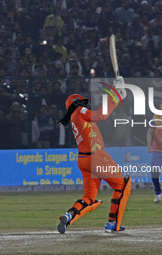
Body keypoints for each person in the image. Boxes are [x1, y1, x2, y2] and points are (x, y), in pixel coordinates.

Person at [57, 77, 131, 234]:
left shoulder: (75, 116)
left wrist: (114, 93)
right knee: (122, 185)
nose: (86, 103)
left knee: (89, 198)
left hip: (84, 159)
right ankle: (113, 223)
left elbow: (99, 114)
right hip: (95, 157)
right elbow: (101, 115)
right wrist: (115, 95)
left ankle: (68, 216)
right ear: (77, 104)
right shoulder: (79, 111)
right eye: (82, 101)